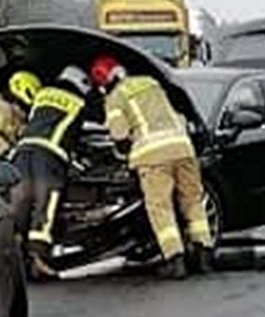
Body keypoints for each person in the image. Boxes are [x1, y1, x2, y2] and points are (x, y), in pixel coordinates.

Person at [89, 55, 213, 280]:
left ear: (103, 83)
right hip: (183, 147)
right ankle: (203, 253)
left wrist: (124, 152)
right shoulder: (150, 82)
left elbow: (120, 136)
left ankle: (175, 260)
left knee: (160, 207)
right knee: (193, 200)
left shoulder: (116, 98)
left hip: (153, 155)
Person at [12, 65, 92, 278]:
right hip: (49, 155)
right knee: (46, 205)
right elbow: (74, 138)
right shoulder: (79, 103)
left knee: (20, 203)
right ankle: (39, 260)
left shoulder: (42, 94)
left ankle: (14, 257)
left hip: (22, 151)